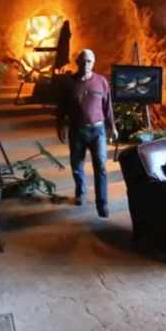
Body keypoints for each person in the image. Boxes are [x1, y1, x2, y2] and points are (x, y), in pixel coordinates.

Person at [56, 49, 118, 218]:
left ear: (93, 62)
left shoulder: (101, 82)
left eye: (89, 61)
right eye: (83, 61)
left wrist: (112, 126)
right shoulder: (69, 83)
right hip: (77, 130)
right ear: (77, 62)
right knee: (77, 166)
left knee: (101, 166)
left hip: (98, 130)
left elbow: (107, 105)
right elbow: (61, 108)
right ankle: (80, 191)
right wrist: (60, 126)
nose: (86, 65)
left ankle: (102, 203)